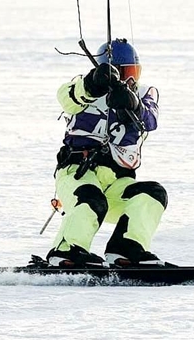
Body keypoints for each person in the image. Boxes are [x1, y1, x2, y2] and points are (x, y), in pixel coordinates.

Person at [46, 38, 168, 268]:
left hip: (116, 181)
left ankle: (127, 249)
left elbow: (150, 120)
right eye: (124, 73)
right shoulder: (83, 88)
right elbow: (67, 97)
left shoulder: (144, 93)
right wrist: (94, 83)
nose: (130, 79)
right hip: (78, 173)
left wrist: (133, 105)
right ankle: (67, 252)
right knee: (92, 199)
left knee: (152, 194)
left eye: (135, 72)